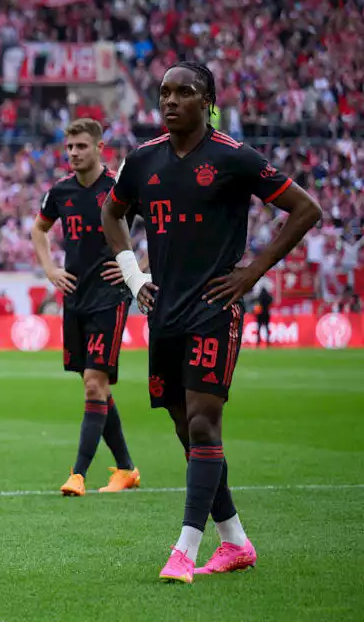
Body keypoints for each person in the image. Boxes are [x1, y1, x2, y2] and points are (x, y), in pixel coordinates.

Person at [103, 61, 322, 583]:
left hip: (215, 307)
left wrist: (252, 272)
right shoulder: (142, 160)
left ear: (208, 100)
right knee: (186, 428)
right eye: (164, 93)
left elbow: (306, 208)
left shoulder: (234, 157)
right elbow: (113, 214)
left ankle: (184, 549)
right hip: (164, 309)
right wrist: (134, 278)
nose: (171, 101)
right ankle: (237, 542)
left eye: (185, 92)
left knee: (204, 421)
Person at [31, 119, 141, 496]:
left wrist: (139, 269)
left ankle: (77, 474)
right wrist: (49, 270)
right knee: (97, 388)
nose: (74, 153)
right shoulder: (59, 192)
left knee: (94, 386)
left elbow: (162, 228)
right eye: (70, 148)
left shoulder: (118, 190)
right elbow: (39, 230)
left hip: (110, 297)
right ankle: (126, 469)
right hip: (75, 296)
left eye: (81, 146)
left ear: (99, 148)